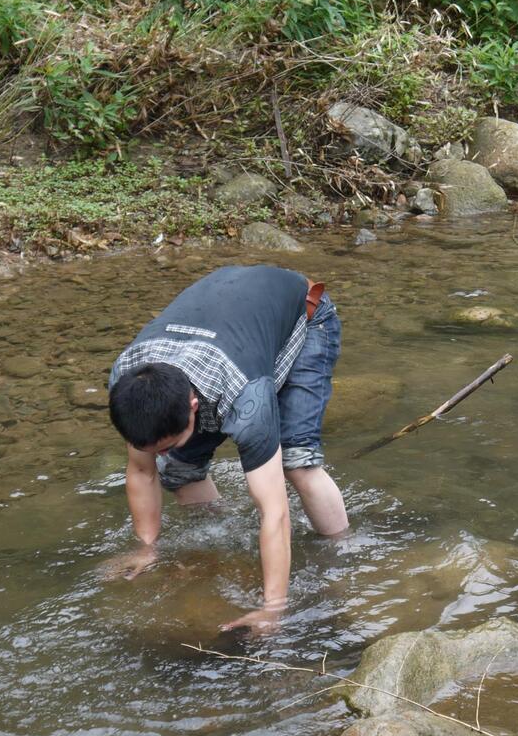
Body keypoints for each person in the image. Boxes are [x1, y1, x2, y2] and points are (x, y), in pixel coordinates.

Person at [106, 265, 348, 632]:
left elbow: (275, 510)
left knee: (297, 463)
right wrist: (147, 549)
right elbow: (142, 470)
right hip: (230, 326)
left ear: (192, 406)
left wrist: (273, 608)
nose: (156, 454)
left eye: (166, 444)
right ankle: (218, 536)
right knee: (178, 470)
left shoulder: (244, 394)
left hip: (305, 317)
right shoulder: (127, 380)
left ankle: (341, 554)